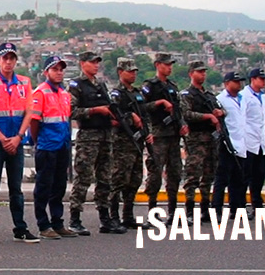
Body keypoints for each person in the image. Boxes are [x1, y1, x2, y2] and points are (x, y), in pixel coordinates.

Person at [0, 43, 38, 244]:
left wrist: (19, 137)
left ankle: (20, 228)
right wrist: (3, 139)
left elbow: (29, 112)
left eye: (12, 58)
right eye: (5, 58)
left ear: (15, 61)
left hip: (17, 141)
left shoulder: (25, 83)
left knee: (16, 189)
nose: (8, 62)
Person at [30, 56, 76, 240]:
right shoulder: (40, 93)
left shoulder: (64, 94)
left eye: (61, 69)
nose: (59, 72)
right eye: (55, 69)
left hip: (62, 146)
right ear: (46, 72)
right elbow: (34, 121)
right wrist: (37, 142)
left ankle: (58, 222)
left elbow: (66, 120)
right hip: (47, 146)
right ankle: (43, 224)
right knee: (44, 186)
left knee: (59, 186)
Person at [66, 51, 110, 237]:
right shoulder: (77, 85)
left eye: (97, 62)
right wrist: (94, 110)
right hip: (88, 136)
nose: (96, 65)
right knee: (83, 178)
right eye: (92, 62)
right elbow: (71, 111)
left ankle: (105, 217)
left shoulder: (101, 85)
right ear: (82, 63)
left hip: (105, 135)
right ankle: (75, 219)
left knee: (105, 178)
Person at [141, 53, 188, 221]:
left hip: (173, 135)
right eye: (166, 64)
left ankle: (173, 211)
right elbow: (141, 107)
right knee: (155, 174)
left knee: (175, 173)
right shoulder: (150, 86)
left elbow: (178, 109)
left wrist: (182, 124)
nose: (170, 67)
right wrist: (159, 103)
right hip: (158, 135)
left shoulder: (172, 86)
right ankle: (152, 210)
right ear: (158, 65)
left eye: (171, 65)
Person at [104, 57, 145, 233]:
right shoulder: (116, 94)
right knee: (119, 181)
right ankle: (113, 216)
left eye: (135, 71)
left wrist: (147, 133)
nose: (133, 74)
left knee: (134, 181)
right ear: (120, 72)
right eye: (130, 71)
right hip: (122, 144)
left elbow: (144, 115)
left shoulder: (137, 93)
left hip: (137, 143)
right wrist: (130, 117)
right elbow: (114, 117)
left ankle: (128, 216)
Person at [179, 61, 220, 223]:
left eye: (204, 72)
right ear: (191, 74)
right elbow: (186, 114)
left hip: (210, 139)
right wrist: (206, 116)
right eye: (199, 72)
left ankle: (205, 209)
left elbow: (221, 110)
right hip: (196, 139)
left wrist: (219, 112)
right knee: (192, 175)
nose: (202, 74)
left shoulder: (208, 95)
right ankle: (189, 210)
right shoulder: (187, 95)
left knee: (208, 175)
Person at [212, 72, 249, 218]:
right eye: (235, 81)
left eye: (239, 81)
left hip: (241, 143)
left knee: (238, 179)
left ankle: (236, 208)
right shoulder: (220, 99)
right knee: (222, 179)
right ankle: (217, 209)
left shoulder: (242, 99)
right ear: (227, 83)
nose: (238, 84)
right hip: (226, 143)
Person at [242, 69, 265, 212]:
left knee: (259, 175)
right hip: (248, 141)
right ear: (253, 79)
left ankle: (256, 204)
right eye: (261, 78)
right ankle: (241, 205)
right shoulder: (244, 96)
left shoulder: (262, 97)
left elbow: (263, 121)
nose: (263, 81)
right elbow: (242, 118)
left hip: (260, 141)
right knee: (246, 176)